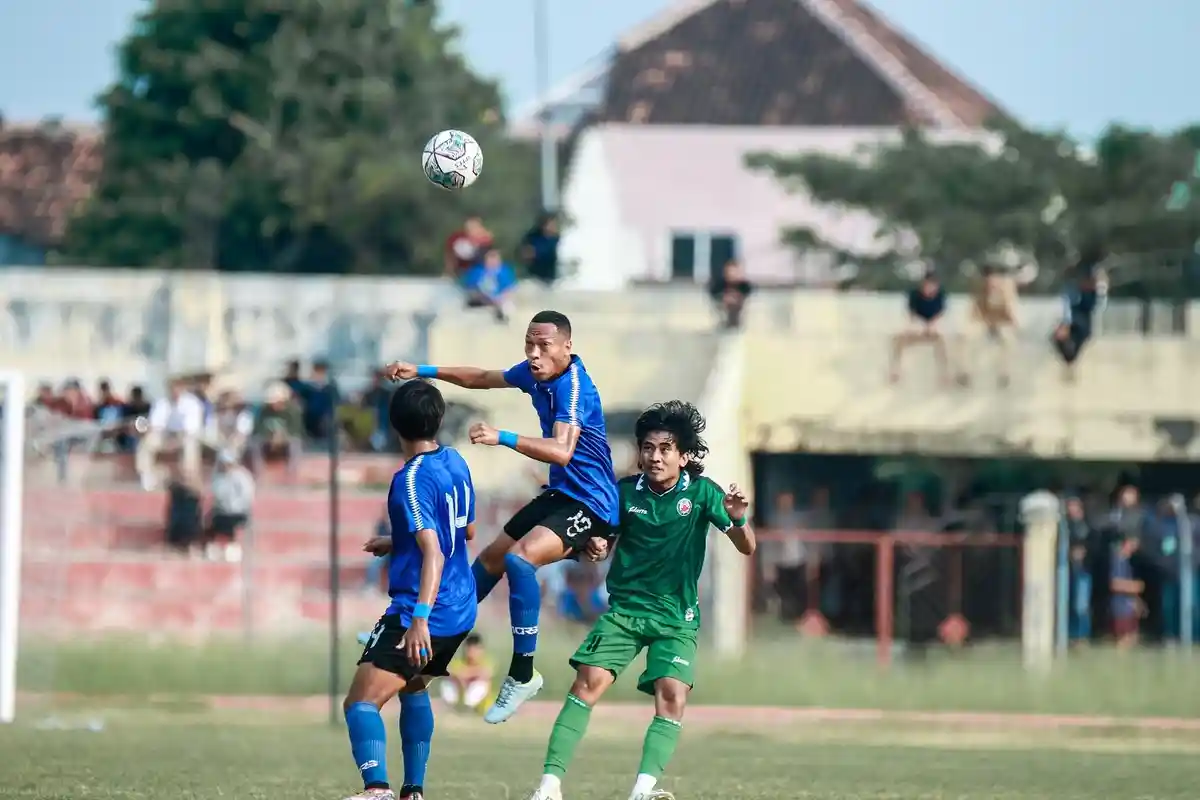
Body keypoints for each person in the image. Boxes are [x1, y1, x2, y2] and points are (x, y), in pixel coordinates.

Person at [384, 309, 619, 724]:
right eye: (529, 344)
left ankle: (522, 675)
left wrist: (502, 437)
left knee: (519, 559)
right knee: (491, 559)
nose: (533, 354)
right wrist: (420, 370)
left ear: (567, 347)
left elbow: (562, 450)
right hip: (562, 495)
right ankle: (424, 638)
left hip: (592, 504)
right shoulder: (536, 374)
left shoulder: (574, 389)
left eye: (543, 346)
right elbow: (480, 378)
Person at [525, 401, 755, 800]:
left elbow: (747, 547)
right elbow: (597, 539)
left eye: (665, 449)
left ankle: (643, 790)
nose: (655, 456)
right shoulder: (622, 492)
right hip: (626, 612)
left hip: (676, 617)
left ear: (684, 456)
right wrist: (594, 545)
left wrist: (736, 519)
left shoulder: (702, 493)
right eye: (648, 448)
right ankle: (549, 786)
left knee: (672, 693)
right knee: (586, 685)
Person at [341, 379, 477, 800]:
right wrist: (398, 540)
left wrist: (418, 619)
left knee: (360, 704)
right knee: (413, 685)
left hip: (425, 612)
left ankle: (377, 789)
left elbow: (433, 553)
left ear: (394, 424)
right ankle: (413, 791)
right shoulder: (455, 461)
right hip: (460, 608)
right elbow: (465, 530)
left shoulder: (410, 480)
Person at [438, 633, 495, 713]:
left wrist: (464, 674)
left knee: (480, 685)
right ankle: (454, 709)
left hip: (481, 705)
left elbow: (486, 673)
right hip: (460, 696)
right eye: (469, 648)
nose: (471, 652)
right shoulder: (460, 662)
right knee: (447, 684)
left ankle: (471, 709)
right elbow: (449, 672)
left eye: (475, 649)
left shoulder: (485, 662)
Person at [461, 247, 518, 322]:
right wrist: (486, 299)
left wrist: (500, 299)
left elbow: (510, 288)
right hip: (481, 301)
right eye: (491, 257)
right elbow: (470, 289)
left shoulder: (505, 271)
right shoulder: (476, 271)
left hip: (501, 301)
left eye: (496, 257)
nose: (494, 260)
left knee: (508, 308)